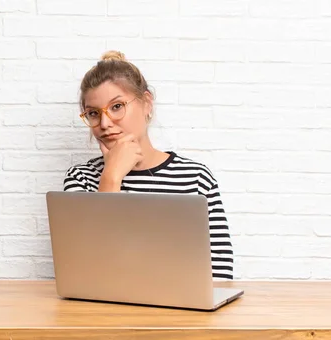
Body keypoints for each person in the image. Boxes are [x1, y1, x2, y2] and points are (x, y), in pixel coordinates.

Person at [63, 50, 234, 280]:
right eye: (93, 113)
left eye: (116, 107)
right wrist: (111, 177)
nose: (104, 123)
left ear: (146, 103)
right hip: (103, 314)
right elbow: (83, 273)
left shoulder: (196, 178)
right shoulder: (81, 179)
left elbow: (220, 275)